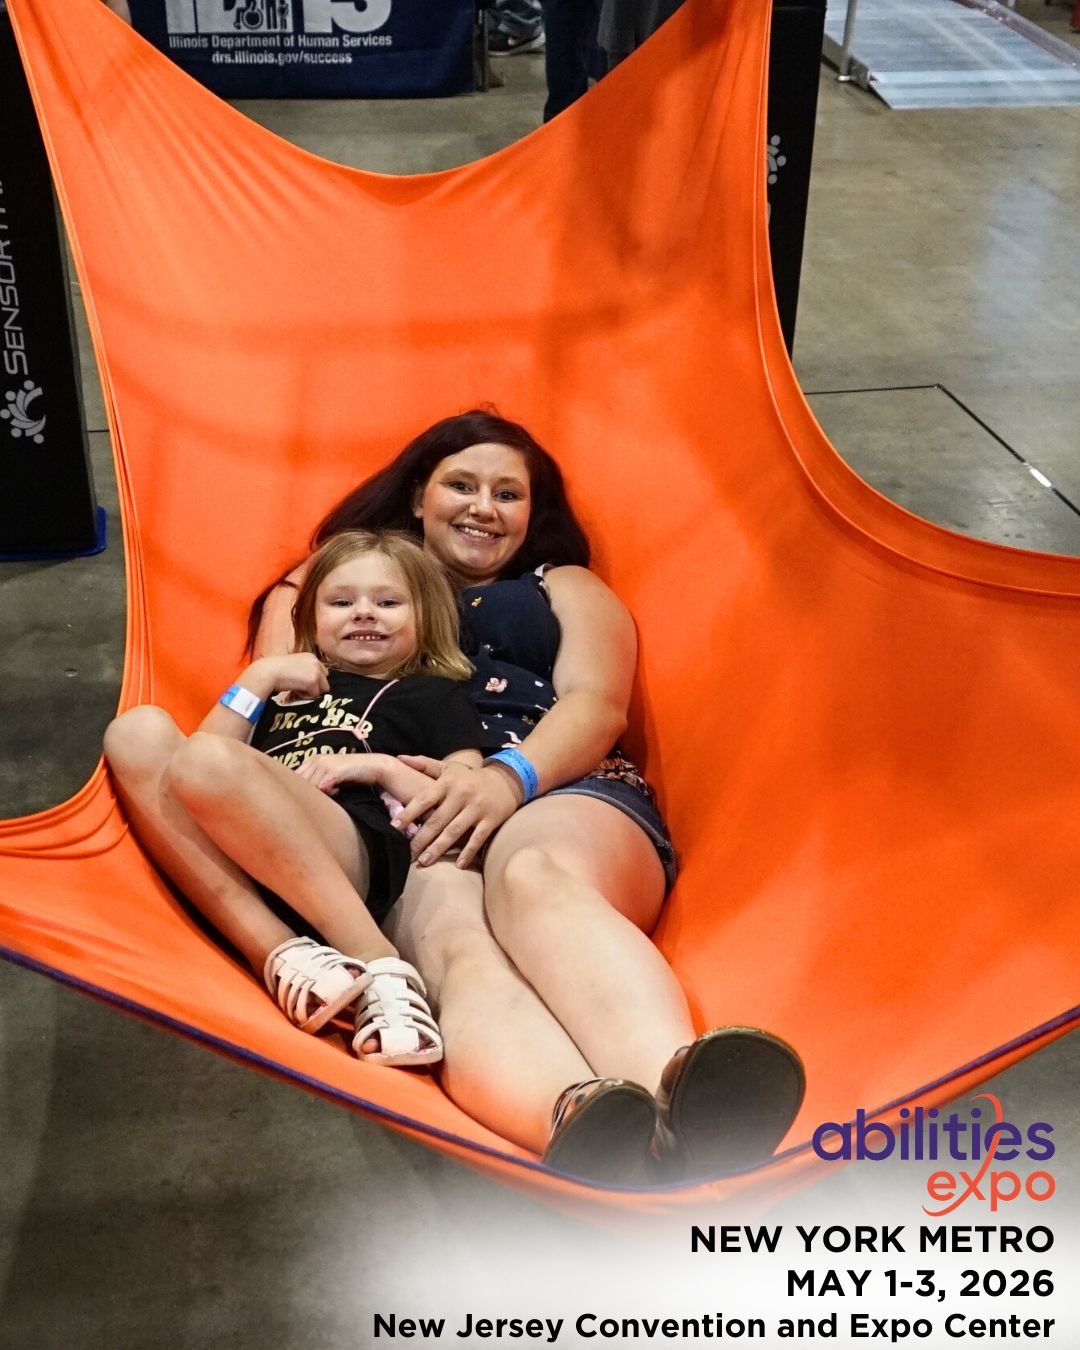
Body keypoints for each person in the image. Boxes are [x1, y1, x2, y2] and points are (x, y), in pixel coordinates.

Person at [108, 411, 805, 1185]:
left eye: (510, 494)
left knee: (533, 874)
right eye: (462, 485)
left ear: (533, 518)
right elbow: (284, 711)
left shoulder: (560, 586)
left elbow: (597, 703)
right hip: (392, 820)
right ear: (417, 496)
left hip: (554, 783)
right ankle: (575, 1116)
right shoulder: (334, 578)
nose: (484, 506)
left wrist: (506, 778)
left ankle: (686, 1094)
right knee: (455, 951)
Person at [104, 530, 503, 1068]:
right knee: (137, 730)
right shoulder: (282, 693)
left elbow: (456, 800)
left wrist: (377, 765)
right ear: (311, 623)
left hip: (351, 852)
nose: (364, 614)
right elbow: (188, 773)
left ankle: (378, 963)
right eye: (341, 602)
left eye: (387, 603)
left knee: (208, 759)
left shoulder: (432, 695)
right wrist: (260, 675)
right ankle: (279, 953)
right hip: (249, 864)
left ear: (425, 619)